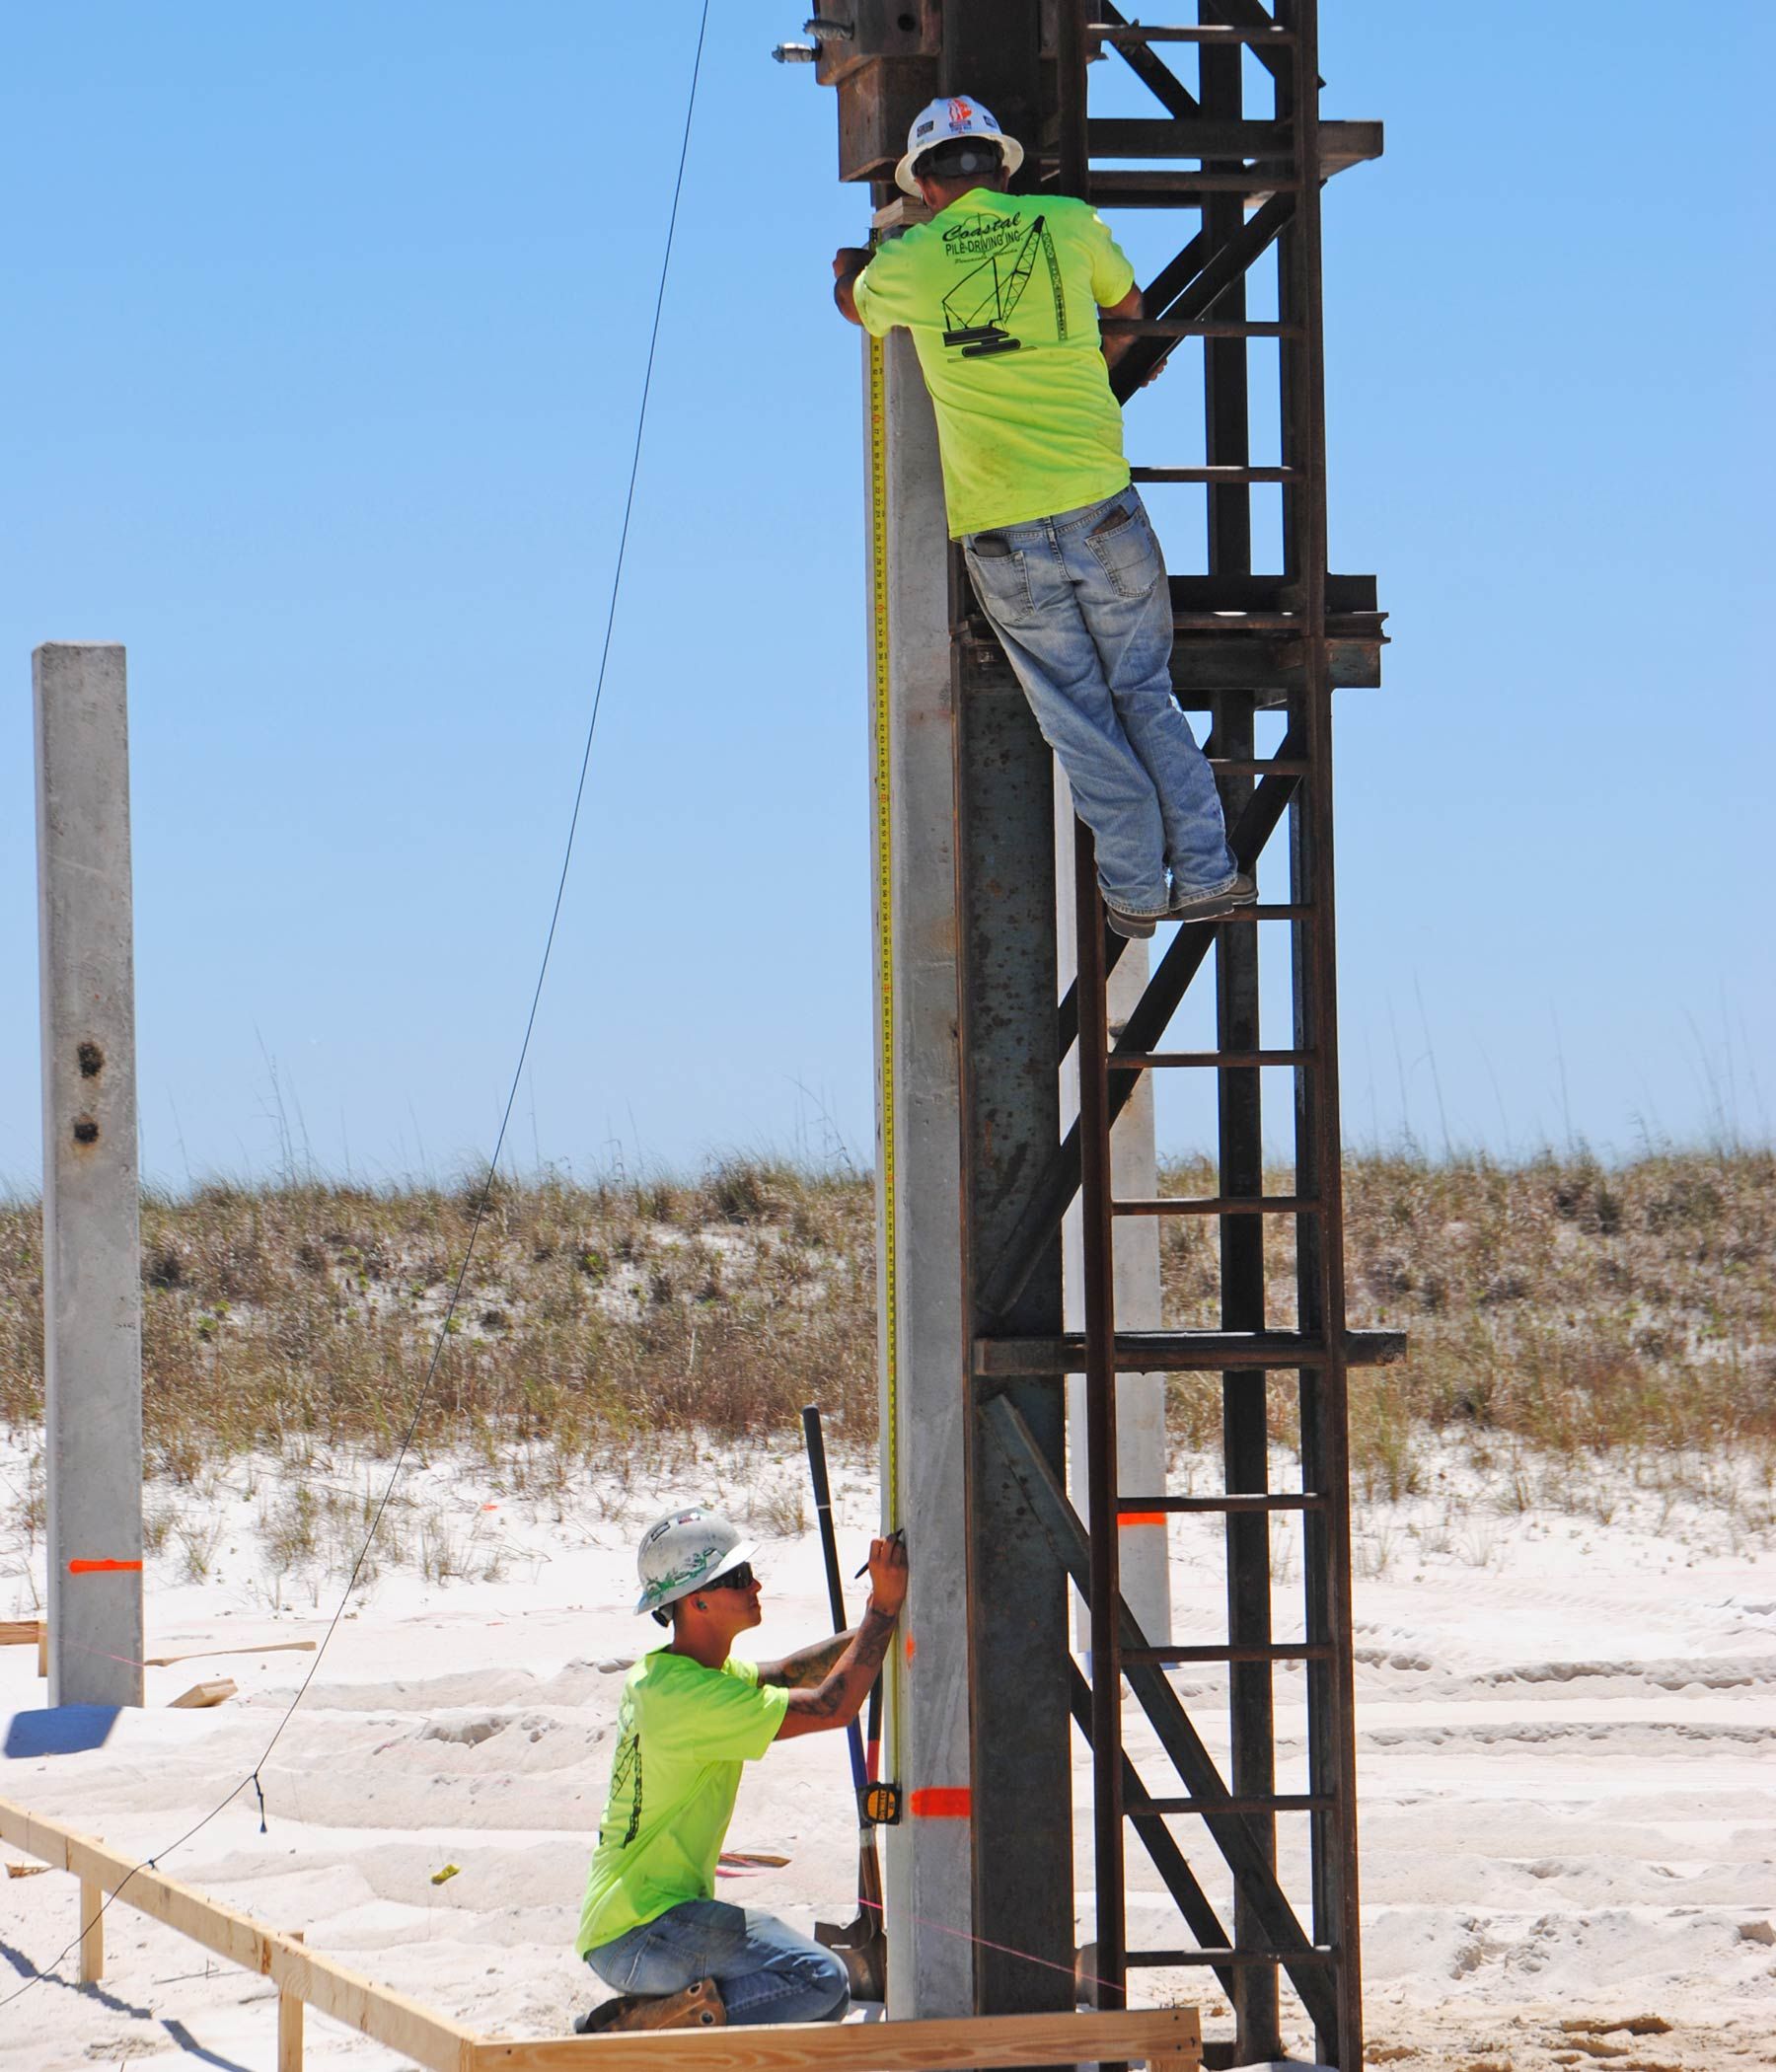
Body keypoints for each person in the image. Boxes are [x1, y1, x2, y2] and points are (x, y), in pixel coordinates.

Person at [833, 95, 1255, 940]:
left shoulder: (915, 258)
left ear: (926, 182)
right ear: (1000, 165)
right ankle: (1207, 872)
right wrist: (1086, 376)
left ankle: (1136, 891)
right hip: (1101, 507)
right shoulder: (1066, 223)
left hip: (1004, 527)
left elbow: (857, 306)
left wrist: (852, 261)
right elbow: (1131, 311)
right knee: (1145, 692)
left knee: (1079, 716)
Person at [573, 1507, 907, 2033]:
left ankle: (657, 2019)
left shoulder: (673, 1674)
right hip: (642, 1933)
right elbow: (831, 1705)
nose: (754, 1584)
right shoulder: (688, 1699)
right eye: (734, 1578)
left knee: (808, 1982)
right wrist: (884, 1614)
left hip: (630, 1928)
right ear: (695, 1600)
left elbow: (788, 1672)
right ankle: (640, 2026)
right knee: (821, 1981)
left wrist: (879, 1617)